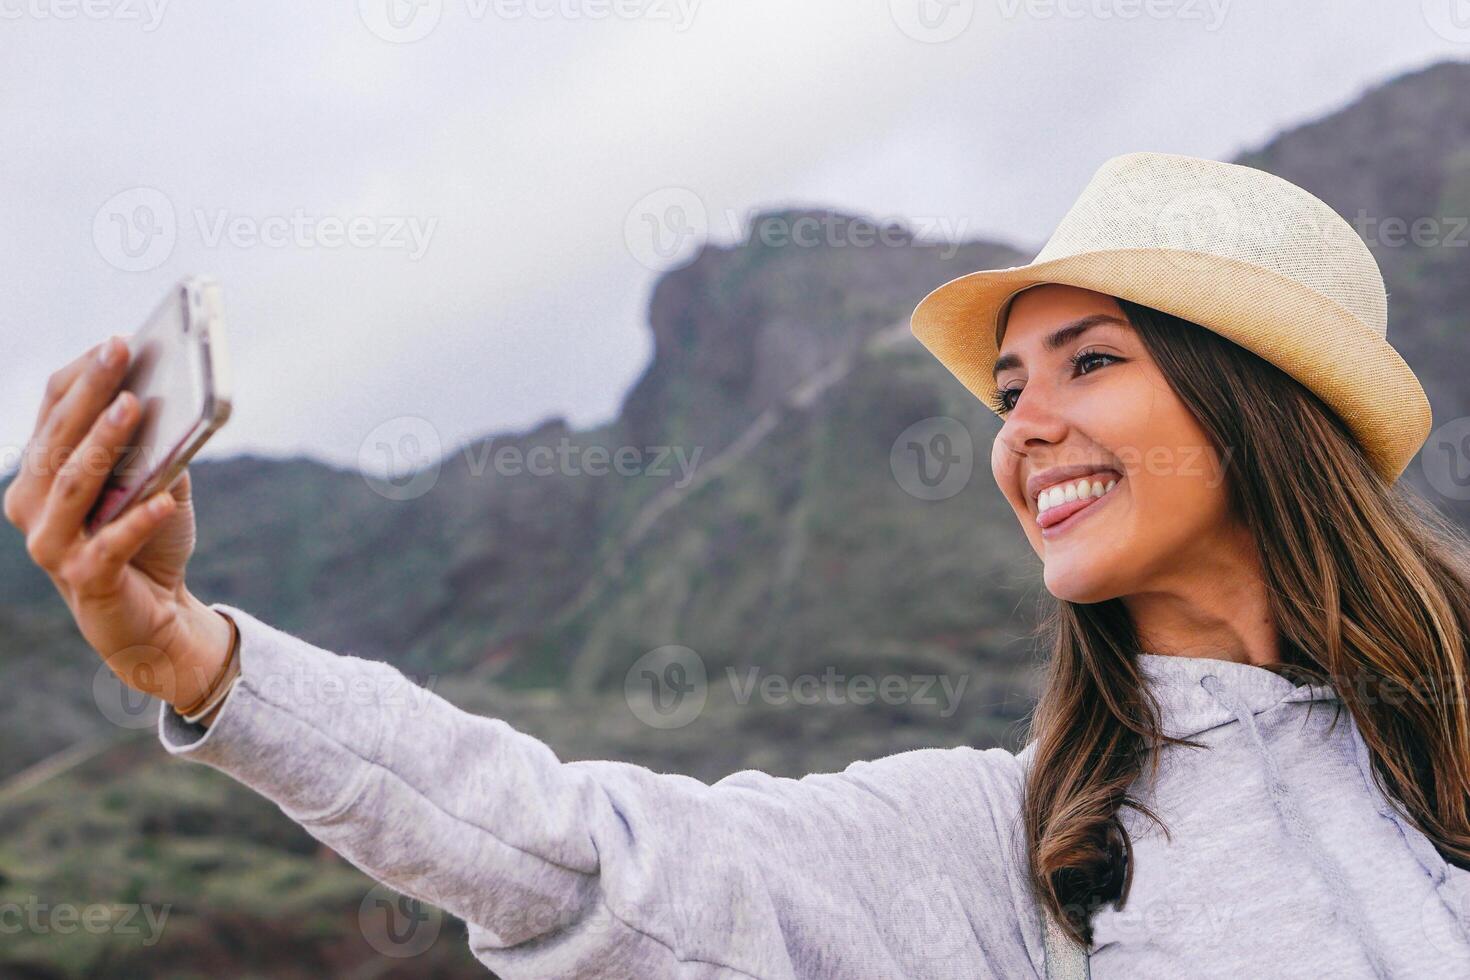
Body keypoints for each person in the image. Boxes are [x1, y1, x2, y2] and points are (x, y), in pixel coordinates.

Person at [9, 152, 1470, 979]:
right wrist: (200, 660)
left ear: (1262, 407)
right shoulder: (1023, 848)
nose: (1027, 427)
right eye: (1010, 389)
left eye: (1090, 361)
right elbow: (581, 855)